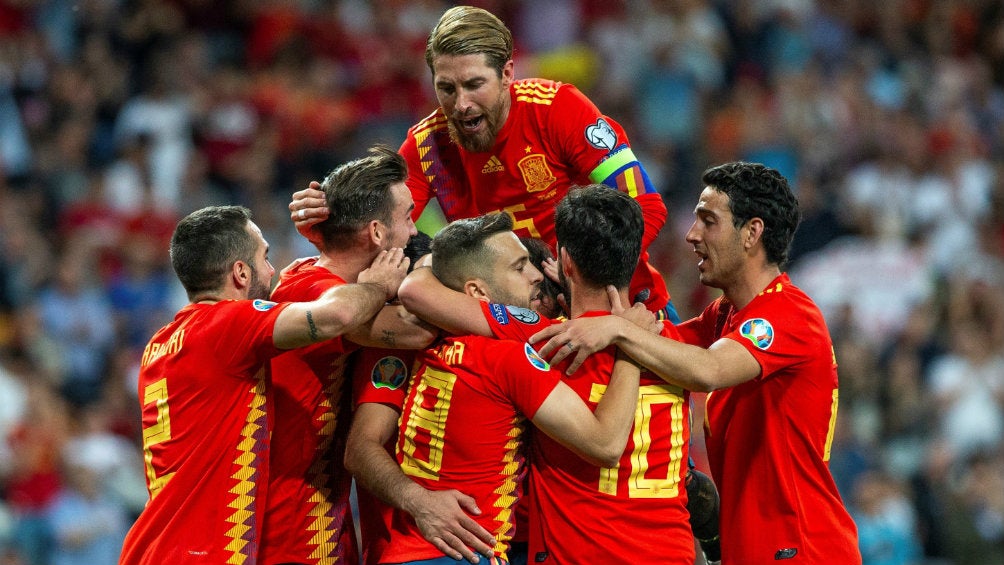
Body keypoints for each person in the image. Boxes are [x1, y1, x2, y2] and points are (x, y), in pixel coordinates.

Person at [531, 163, 862, 564]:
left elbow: (706, 370)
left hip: (801, 546)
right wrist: (574, 287)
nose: (692, 235)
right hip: (752, 549)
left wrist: (618, 330)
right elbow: (658, 342)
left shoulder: (789, 314)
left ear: (752, 233)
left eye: (709, 221)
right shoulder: (726, 317)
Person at [288, 4, 678, 322]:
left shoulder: (558, 110)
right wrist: (326, 226)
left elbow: (647, 206)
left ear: (507, 73)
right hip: (520, 326)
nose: (461, 105)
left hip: (627, 306)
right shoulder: (428, 145)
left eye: (475, 85)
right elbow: (377, 232)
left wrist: (581, 276)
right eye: (446, 88)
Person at [396, 186, 695, 564]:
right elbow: (712, 372)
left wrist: (626, 345)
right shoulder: (680, 344)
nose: (536, 273)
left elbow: (417, 292)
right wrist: (632, 333)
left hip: (579, 554)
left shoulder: (543, 338)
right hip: (672, 552)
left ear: (564, 261)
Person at [345, 211, 644, 565]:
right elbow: (605, 444)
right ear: (477, 291)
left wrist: (418, 500)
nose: (537, 274)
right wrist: (631, 344)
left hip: (402, 554)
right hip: (467, 553)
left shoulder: (414, 344)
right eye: (519, 267)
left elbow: (358, 449)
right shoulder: (510, 356)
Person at [118, 205, 409, 565]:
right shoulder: (226, 324)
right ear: (240, 272)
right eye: (265, 257)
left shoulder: (161, 342)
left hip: (153, 547)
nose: (273, 272)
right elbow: (338, 315)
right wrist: (378, 286)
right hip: (198, 554)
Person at [261, 145, 438, 565]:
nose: (414, 233)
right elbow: (417, 331)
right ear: (377, 233)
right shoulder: (307, 291)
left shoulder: (309, 275)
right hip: (286, 526)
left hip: (327, 513)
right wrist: (432, 267)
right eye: (408, 217)